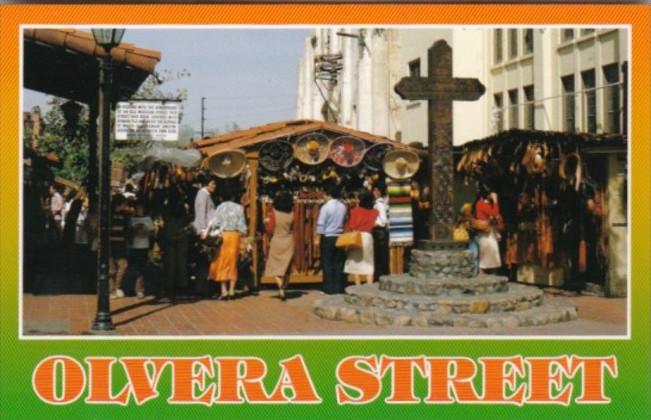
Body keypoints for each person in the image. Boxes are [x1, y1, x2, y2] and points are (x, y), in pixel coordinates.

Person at [204, 185, 247, 300]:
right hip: (234, 236)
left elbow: (215, 224)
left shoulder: (219, 208)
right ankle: (232, 290)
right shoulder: (239, 208)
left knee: (222, 262)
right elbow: (242, 227)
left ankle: (224, 290)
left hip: (223, 237)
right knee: (233, 263)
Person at [315, 184, 347, 294]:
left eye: (324, 194)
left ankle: (328, 288)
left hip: (328, 237)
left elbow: (321, 224)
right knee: (338, 263)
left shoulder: (326, 207)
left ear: (328, 195)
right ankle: (339, 288)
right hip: (339, 236)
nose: (323, 197)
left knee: (328, 263)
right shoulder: (343, 206)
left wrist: (318, 237)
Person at [161, 188, 192, 302]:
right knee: (182, 261)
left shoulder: (167, 208)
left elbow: (165, 219)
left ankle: (170, 284)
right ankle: (183, 284)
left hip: (169, 235)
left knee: (170, 261)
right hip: (182, 235)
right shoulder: (183, 208)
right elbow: (187, 219)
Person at [263, 191, 295, 301]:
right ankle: (284, 288)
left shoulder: (274, 213)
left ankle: (280, 286)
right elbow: (293, 228)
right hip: (288, 241)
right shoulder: (292, 214)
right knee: (287, 268)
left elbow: (269, 229)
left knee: (274, 266)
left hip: (277, 240)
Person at [344, 190, 379, 286]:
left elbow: (352, 226)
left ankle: (358, 285)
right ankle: (370, 284)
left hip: (356, 236)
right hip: (368, 236)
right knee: (369, 262)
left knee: (355, 261)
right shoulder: (375, 212)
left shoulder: (354, 211)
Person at [122, 202, 153, 299]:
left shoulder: (148, 219)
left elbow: (152, 232)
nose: (140, 210)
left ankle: (140, 289)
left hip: (144, 246)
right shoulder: (132, 219)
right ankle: (130, 288)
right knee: (133, 268)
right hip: (134, 246)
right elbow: (129, 233)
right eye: (138, 208)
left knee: (142, 269)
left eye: (141, 208)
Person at [192, 175, 217, 296]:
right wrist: (203, 230)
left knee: (205, 260)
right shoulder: (202, 195)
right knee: (204, 259)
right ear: (206, 184)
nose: (214, 186)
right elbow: (201, 213)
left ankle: (202, 287)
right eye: (212, 184)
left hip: (207, 230)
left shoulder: (206, 195)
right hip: (204, 231)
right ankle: (201, 288)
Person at [473, 185, 503, 274]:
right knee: (486, 257)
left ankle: (492, 275)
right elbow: (494, 213)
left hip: (490, 232)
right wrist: (495, 201)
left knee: (493, 255)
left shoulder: (484, 203)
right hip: (485, 233)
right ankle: (482, 274)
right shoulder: (481, 203)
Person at [110, 194, 134, 299]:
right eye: (124, 203)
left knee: (122, 265)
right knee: (112, 268)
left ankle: (116, 287)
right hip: (112, 244)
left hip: (120, 243)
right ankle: (112, 289)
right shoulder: (110, 214)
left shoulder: (125, 214)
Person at [371, 183, 389, 282]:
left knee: (381, 256)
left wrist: (373, 224)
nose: (374, 192)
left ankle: (381, 276)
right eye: (374, 190)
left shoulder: (380, 204)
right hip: (379, 232)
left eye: (376, 190)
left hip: (380, 232)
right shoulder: (377, 203)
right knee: (379, 256)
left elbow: (383, 221)